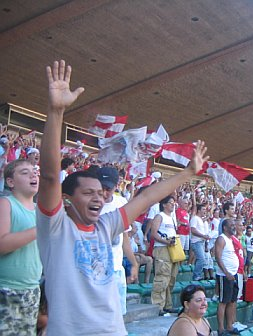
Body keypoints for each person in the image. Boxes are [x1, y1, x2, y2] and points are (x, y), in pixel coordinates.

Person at [36, 60, 208, 335]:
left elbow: (148, 196)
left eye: (101, 192)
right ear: (66, 199)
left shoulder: (106, 225)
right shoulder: (56, 227)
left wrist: (187, 173)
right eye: (88, 192)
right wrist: (56, 112)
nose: (100, 197)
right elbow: (48, 175)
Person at [0, 159, 42, 335]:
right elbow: (2, 244)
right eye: (25, 173)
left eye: (34, 171)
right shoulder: (6, 204)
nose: (33, 174)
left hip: (32, 289)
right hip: (7, 289)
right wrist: (41, 228)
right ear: (10, 182)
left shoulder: (39, 210)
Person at [97, 166, 138, 315]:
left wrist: (133, 263)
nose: (104, 193)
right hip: (95, 271)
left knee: (117, 317)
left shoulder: (121, 202)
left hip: (116, 269)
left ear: (116, 186)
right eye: (101, 187)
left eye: (108, 188)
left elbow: (124, 236)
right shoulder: (89, 202)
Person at [151, 195, 181, 314]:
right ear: (164, 204)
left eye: (174, 203)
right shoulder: (160, 216)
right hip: (162, 248)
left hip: (173, 249)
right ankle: (158, 305)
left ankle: (167, 304)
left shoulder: (172, 218)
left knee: (171, 278)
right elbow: (154, 234)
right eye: (170, 203)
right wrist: (166, 242)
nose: (173, 204)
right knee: (162, 277)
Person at [215, 218, 240, 336]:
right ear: (225, 227)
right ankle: (221, 329)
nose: (234, 226)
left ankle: (229, 326)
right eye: (231, 225)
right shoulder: (221, 239)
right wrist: (227, 273)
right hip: (225, 275)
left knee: (232, 301)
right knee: (223, 301)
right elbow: (218, 257)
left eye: (234, 224)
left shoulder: (231, 240)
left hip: (233, 274)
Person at [190, 204, 211, 280]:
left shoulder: (200, 220)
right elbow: (193, 230)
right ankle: (196, 276)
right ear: (199, 210)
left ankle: (197, 275)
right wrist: (203, 236)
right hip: (196, 242)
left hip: (201, 242)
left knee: (201, 258)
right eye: (203, 209)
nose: (205, 211)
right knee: (201, 258)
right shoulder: (195, 218)